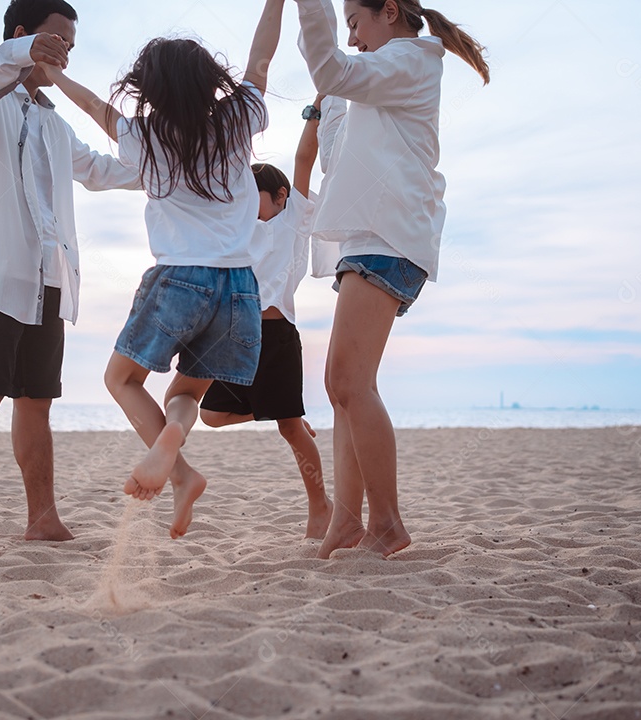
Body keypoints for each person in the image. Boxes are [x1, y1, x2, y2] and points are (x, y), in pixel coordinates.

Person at [44, 0, 287, 538]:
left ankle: (175, 463)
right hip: (240, 289)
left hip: (179, 278)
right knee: (184, 396)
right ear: (209, 83)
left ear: (150, 91)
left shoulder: (146, 137)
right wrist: (276, 3)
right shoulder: (238, 120)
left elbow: (91, 108)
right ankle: (179, 466)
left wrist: (54, 74)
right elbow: (261, 62)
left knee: (120, 378)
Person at [0, 0, 141, 561]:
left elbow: (105, 171)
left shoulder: (55, 124)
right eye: (57, 43)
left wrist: (174, 158)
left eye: (70, 48)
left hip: (47, 282)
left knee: (37, 402)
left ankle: (42, 518)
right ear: (24, 35)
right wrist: (19, 55)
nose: (65, 56)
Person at [294, 0, 489, 558]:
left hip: (389, 236)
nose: (352, 38)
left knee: (350, 381)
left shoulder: (410, 60)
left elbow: (333, 67)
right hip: (367, 237)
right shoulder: (380, 76)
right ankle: (345, 524)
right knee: (341, 388)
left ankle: (386, 523)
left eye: (355, 23)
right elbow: (334, 155)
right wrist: (324, 104)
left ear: (389, 12)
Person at [199, 106, 333, 540]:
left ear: (279, 195)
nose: (245, 204)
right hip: (238, 334)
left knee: (290, 429)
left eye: (253, 195)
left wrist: (315, 112)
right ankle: (274, 404)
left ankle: (321, 505)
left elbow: (303, 160)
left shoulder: (294, 216)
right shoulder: (241, 228)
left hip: (276, 335)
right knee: (210, 415)